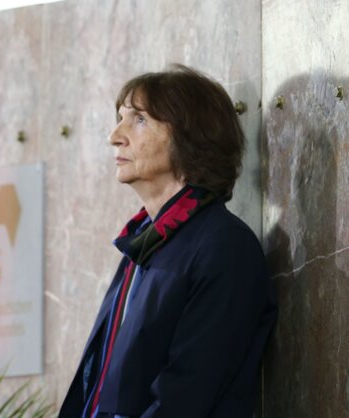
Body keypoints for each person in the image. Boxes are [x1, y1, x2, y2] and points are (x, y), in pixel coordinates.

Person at [59, 66, 277, 417]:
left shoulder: (224, 247)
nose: (115, 135)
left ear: (191, 136)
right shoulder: (145, 243)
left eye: (139, 120)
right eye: (120, 118)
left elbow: (185, 396)